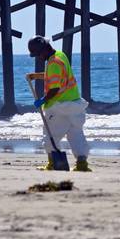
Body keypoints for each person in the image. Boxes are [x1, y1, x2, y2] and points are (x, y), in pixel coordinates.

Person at [25, 35, 91, 172]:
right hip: (75, 105)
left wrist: (43, 100)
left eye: (37, 54)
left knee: (50, 136)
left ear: (42, 51)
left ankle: (52, 164)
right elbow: (57, 75)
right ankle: (82, 164)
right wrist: (36, 75)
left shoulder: (53, 63)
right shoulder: (60, 56)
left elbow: (54, 89)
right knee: (76, 135)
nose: (38, 57)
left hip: (58, 107)